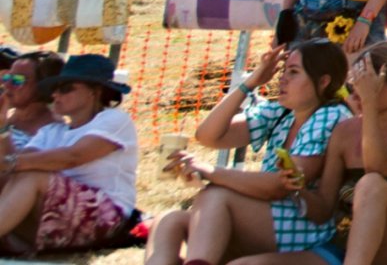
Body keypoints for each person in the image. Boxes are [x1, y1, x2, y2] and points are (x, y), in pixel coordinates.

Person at [146, 39, 352, 265]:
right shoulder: (283, 114)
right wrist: (251, 83)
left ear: (323, 82)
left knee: (215, 195)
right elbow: (208, 135)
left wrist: (209, 172)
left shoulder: (331, 115)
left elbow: (278, 186)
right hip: (270, 225)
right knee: (168, 221)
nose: (282, 78)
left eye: (293, 72)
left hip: (306, 233)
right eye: (283, 71)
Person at [260, 42, 387, 265]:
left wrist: (368, 105)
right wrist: (296, 188)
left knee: (371, 184)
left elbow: (377, 167)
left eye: (367, 84)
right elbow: (323, 210)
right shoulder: (345, 132)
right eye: (353, 84)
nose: (356, 92)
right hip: (346, 242)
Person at [0, 54, 139, 257]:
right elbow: (13, 167)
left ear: (95, 91)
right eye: (54, 89)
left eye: (65, 89)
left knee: (31, 176)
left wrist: (9, 163)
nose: (56, 95)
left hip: (107, 220)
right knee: (17, 176)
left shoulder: (114, 120)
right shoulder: (52, 131)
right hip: (59, 219)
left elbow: (73, 156)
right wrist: (3, 127)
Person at [1, 52, 63, 153]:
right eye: (7, 77)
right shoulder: (6, 116)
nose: (7, 85)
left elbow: (13, 165)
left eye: (17, 80)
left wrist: (2, 130)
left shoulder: (53, 131)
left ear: (43, 86)